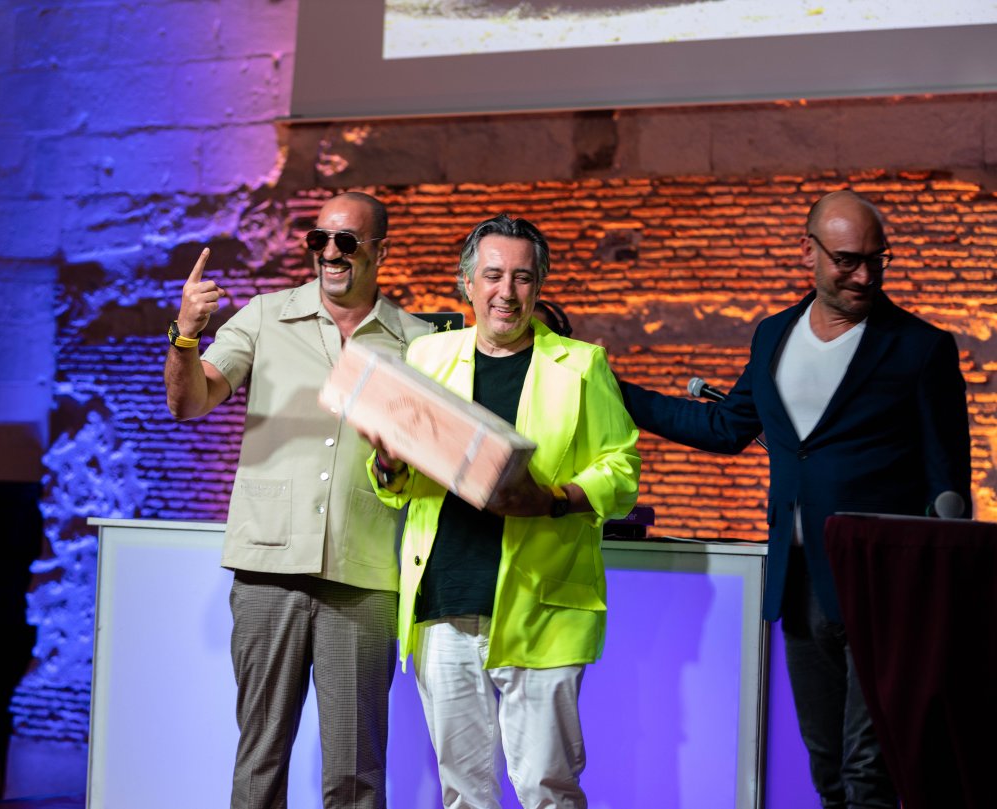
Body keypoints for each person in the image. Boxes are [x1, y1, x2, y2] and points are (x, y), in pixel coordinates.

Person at [619, 189, 972, 808]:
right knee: (828, 770)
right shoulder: (774, 335)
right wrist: (613, 390)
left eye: (876, 260)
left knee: (870, 774)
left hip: (884, 587)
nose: (864, 276)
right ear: (808, 252)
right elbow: (725, 428)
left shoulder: (921, 347)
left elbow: (949, 485)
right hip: (800, 578)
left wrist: (937, 584)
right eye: (847, 260)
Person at [164, 191, 433, 809]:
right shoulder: (265, 316)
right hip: (268, 569)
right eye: (320, 239)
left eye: (347, 241)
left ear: (381, 251)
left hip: (364, 576)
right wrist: (185, 334)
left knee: (357, 774)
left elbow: (421, 471)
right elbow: (189, 402)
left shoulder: (416, 342)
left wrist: (393, 465)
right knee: (260, 761)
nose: (330, 252)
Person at [364, 214, 641, 808]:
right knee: (463, 792)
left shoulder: (582, 366)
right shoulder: (427, 356)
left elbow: (622, 471)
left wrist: (555, 499)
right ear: (467, 283)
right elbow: (399, 483)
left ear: (539, 286)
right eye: (492, 276)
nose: (506, 292)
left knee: (546, 788)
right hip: (444, 600)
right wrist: (387, 463)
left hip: (543, 607)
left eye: (522, 277)